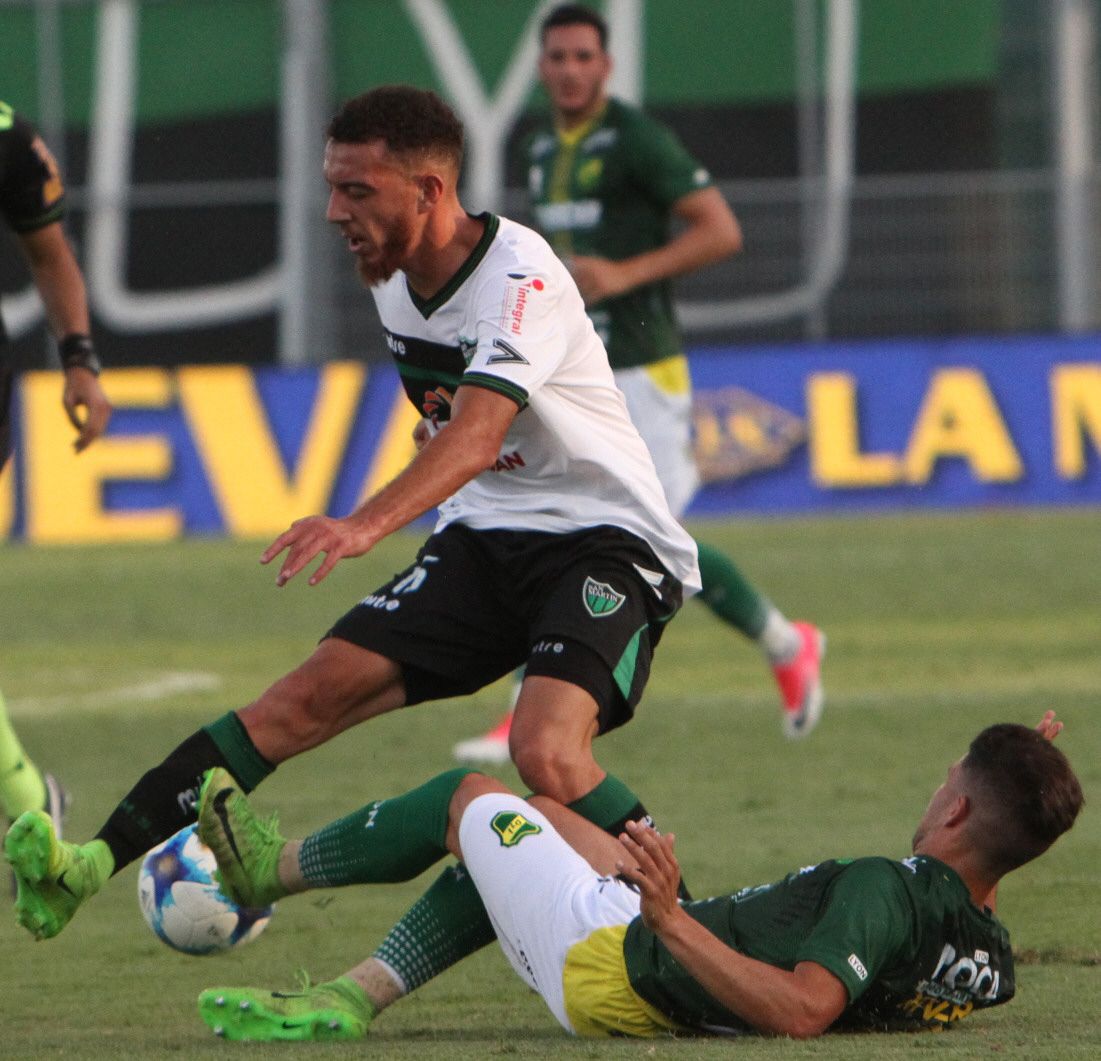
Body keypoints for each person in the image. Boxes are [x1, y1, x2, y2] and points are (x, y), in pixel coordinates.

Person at [5, 82, 699, 987]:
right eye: (332, 187)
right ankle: (89, 862)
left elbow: (476, 435)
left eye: (357, 191)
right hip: (488, 535)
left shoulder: (519, 276)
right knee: (299, 700)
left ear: (429, 192)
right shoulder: (397, 282)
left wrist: (362, 523)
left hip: (606, 539)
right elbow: (451, 420)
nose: (334, 212)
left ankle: (697, 933)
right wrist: (434, 433)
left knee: (544, 752)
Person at [193, 710, 1082, 1041]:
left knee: (463, 800)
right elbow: (983, 860)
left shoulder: (883, 889)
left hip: (615, 965)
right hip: (656, 945)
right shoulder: (987, 956)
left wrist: (669, 919)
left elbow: (806, 1010)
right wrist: (1022, 783)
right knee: (539, 819)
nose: (934, 793)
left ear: (954, 811)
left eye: (945, 784)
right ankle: (352, 996)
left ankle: (265, 871)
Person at [454, 3, 823, 764]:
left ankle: (787, 644)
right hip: (572, 369)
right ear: (541, 67)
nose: (569, 70)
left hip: (641, 369)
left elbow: (720, 230)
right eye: (557, 57)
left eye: (583, 57)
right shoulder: (539, 146)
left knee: (642, 537)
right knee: (563, 524)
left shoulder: (636, 140)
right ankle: (527, 704)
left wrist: (624, 274)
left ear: (607, 65)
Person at [0, 100, 112, 855]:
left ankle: (29, 805)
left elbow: (49, 253)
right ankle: (32, 802)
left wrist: (79, 360)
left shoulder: (8, 137)